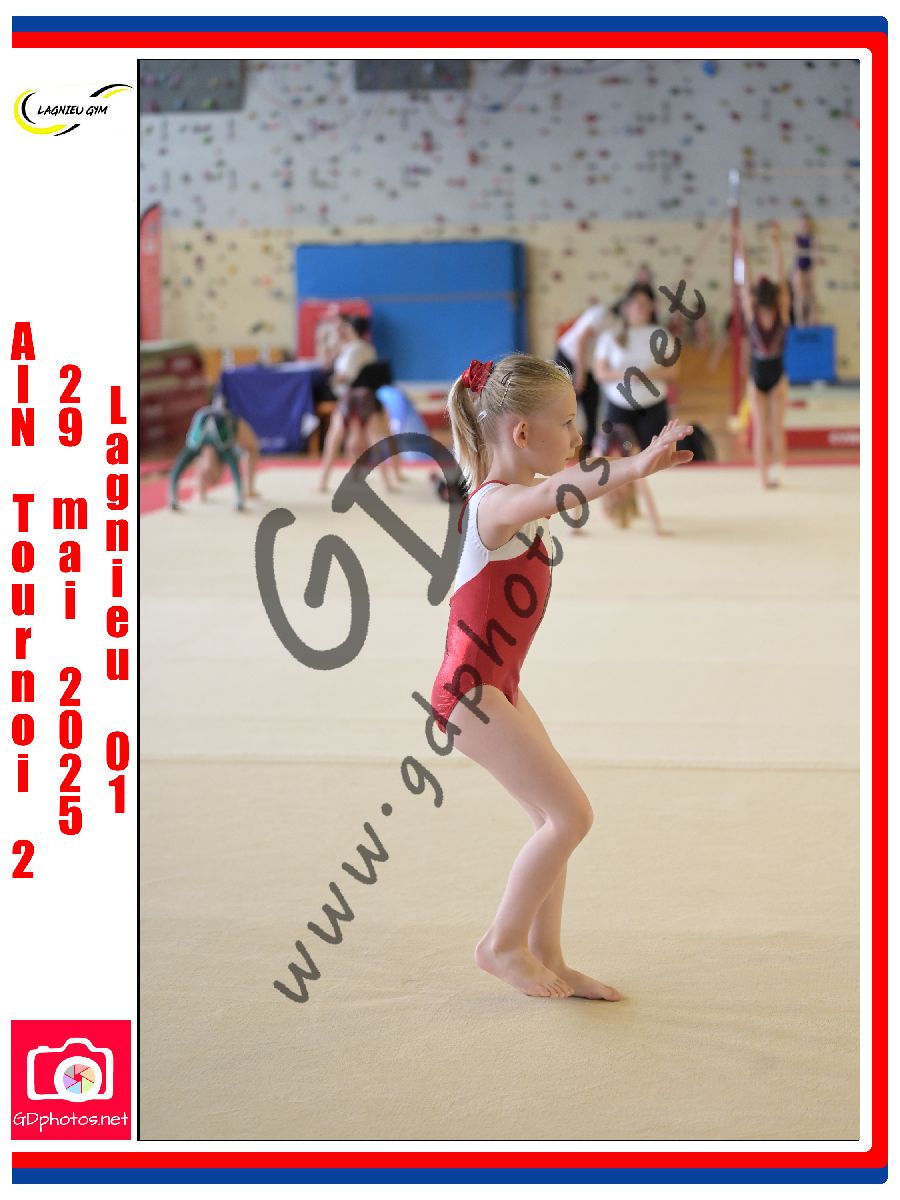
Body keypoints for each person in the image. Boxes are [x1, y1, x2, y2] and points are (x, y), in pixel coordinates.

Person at [430, 354, 693, 1000]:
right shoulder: (497, 505)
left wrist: (629, 468)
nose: (578, 435)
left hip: (498, 687)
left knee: (553, 820)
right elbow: (561, 489)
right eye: (569, 422)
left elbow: (564, 483)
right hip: (470, 693)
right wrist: (634, 465)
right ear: (522, 432)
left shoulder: (518, 500)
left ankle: (549, 955)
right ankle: (501, 944)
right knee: (570, 817)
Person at [591, 282, 680, 535]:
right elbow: (600, 372)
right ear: (626, 307)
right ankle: (615, 505)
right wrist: (626, 374)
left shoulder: (660, 334)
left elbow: (673, 370)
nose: (640, 308)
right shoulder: (611, 336)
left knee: (644, 462)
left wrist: (647, 375)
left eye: (645, 304)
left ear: (652, 307)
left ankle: (637, 504)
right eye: (636, 304)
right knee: (617, 463)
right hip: (620, 406)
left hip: (652, 405)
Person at [737, 221, 790, 489]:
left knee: (763, 428)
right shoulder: (782, 311)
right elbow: (779, 278)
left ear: (757, 298)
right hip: (774, 372)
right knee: (774, 427)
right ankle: (774, 474)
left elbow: (747, 282)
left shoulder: (755, 311)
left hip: (761, 373)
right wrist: (775, 245)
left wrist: (742, 248)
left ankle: (765, 477)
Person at [168, 394, 244, 512]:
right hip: (200, 443)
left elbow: (232, 438)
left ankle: (239, 499)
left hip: (220, 444)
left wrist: (239, 501)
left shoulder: (227, 420)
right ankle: (173, 499)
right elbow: (192, 435)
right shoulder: (201, 418)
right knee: (177, 468)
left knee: (234, 468)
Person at [554, 303, 614, 450]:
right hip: (570, 360)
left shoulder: (618, 324)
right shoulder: (602, 314)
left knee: (591, 409)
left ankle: (588, 452)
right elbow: (581, 342)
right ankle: (556, 447)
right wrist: (580, 373)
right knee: (561, 407)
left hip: (589, 366)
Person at [197, 414, 261, 501]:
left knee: (251, 449)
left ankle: (201, 492)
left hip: (219, 424)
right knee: (251, 449)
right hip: (222, 423)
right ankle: (249, 490)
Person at [791, 213, 817, 327]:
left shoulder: (812, 237)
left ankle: (812, 320)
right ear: (800, 224)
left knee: (810, 294)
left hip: (809, 267)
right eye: (803, 223)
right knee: (799, 295)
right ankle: (800, 321)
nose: (805, 225)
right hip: (799, 268)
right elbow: (797, 251)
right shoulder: (796, 237)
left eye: (807, 223)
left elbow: (815, 253)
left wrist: (814, 255)